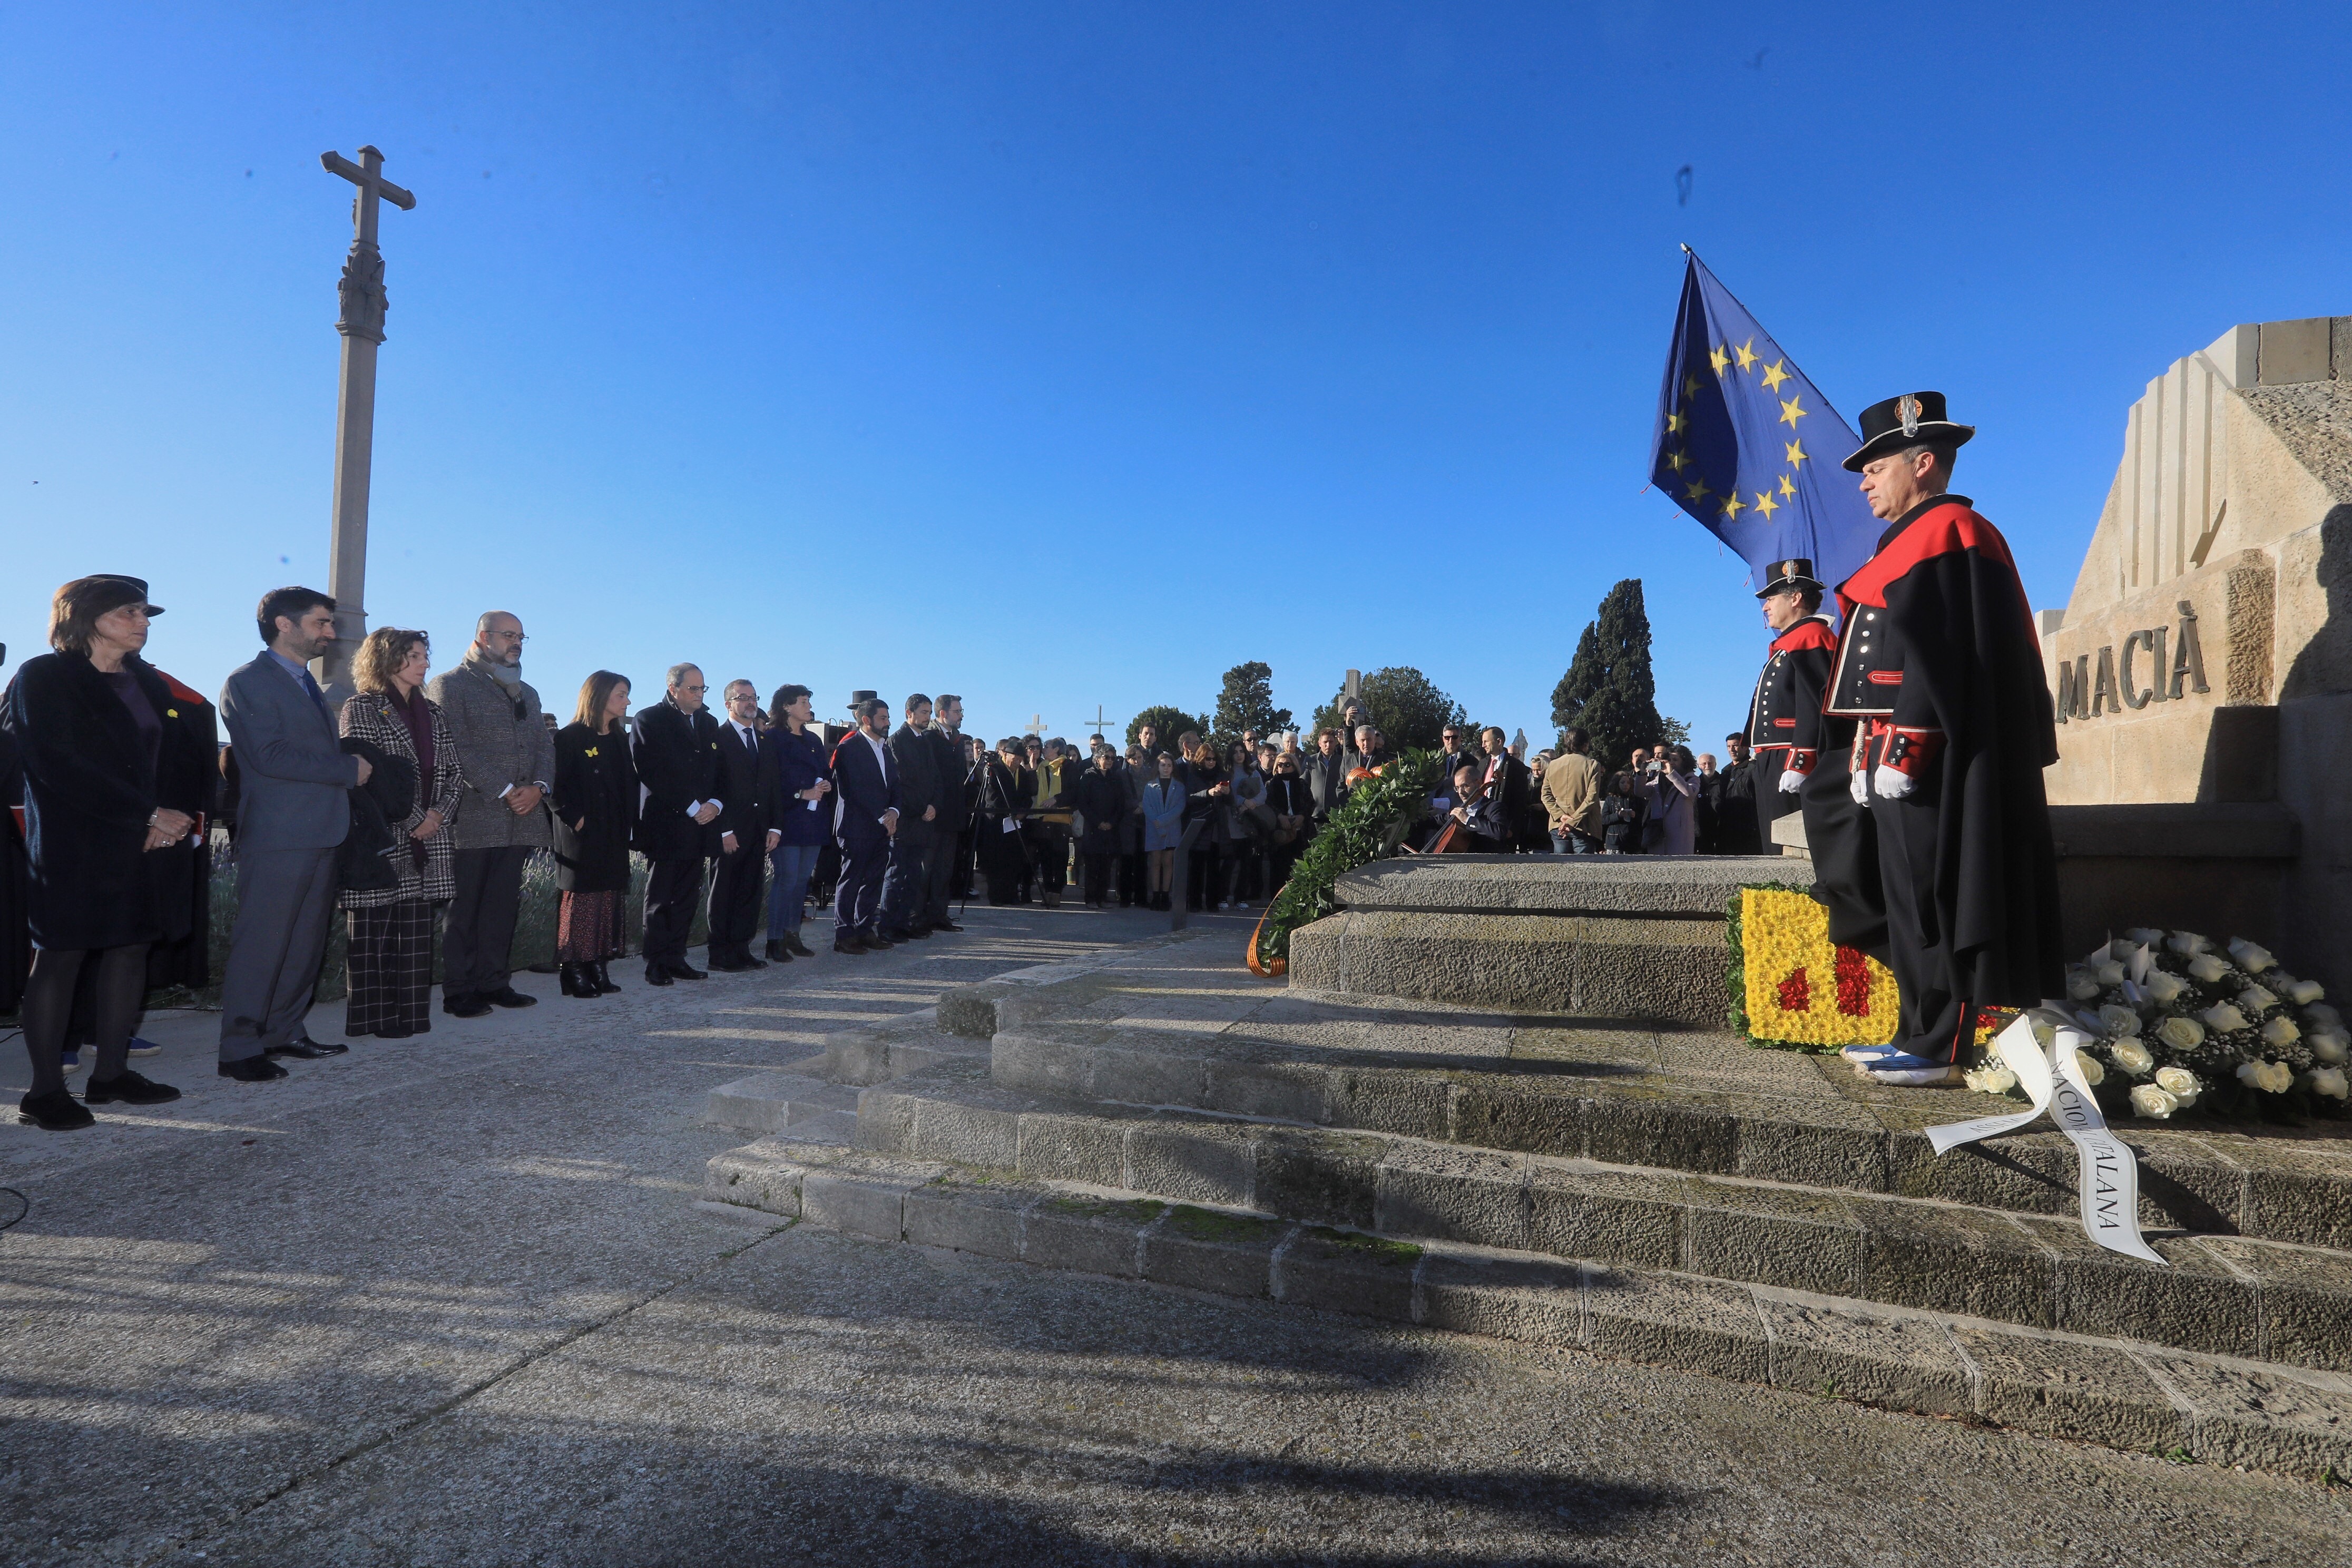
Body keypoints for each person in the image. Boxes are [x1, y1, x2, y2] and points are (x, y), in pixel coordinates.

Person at [1820, 391, 2061, 1086]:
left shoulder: (1953, 530)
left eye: (1876, 468)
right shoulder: (1906, 539)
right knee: (1905, 901)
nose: (1864, 482)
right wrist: (1864, 754)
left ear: (1923, 463)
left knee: (1935, 899)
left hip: (1932, 762)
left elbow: (1944, 658)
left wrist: (1905, 750)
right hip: (1891, 759)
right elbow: (1886, 671)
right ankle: (1913, 1031)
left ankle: (1940, 1046)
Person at [3, 577, 211, 1128]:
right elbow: (56, 762)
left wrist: (167, 818)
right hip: (74, 843)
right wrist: (146, 814)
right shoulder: (44, 676)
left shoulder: (147, 681)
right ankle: (44, 1092)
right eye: (129, 612)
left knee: (130, 951)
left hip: (145, 842)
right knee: (61, 957)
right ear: (86, 617)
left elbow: (174, 759)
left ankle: (111, 1075)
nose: (142, 623)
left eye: (144, 613)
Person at [216, 586, 366, 1080]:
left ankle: (283, 1031)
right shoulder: (248, 681)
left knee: (303, 944)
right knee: (263, 944)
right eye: (321, 622)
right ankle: (240, 1049)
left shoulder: (305, 683)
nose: (331, 633)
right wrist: (348, 769)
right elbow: (269, 756)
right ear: (284, 624)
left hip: (321, 831)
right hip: (280, 836)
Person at [424, 611, 552, 1018]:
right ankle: (459, 990)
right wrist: (506, 790)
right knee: (464, 910)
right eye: (509, 635)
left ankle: (495, 981)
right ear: (483, 637)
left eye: (521, 637)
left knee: (501, 907)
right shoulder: (450, 685)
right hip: (475, 815)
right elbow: (455, 746)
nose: (517, 643)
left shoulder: (527, 692)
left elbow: (544, 745)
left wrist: (539, 787)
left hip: (522, 816)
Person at [336, 628, 462, 1035]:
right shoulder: (362, 707)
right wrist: (415, 821)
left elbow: (454, 773)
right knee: (373, 934)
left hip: (429, 838)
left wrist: (437, 816)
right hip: (382, 837)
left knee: (414, 935)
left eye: (425, 655)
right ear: (387, 659)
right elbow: (370, 776)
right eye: (415, 656)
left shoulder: (435, 713)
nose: (425, 663)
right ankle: (374, 1019)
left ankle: (409, 1017)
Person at [633, 663, 722, 985]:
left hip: (701, 824)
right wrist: (692, 806)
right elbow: (651, 770)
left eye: (703, 688)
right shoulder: (650, 719)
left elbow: (718, 769)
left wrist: (715, 804)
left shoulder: (709, 722)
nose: (699, 694)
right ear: (673, 689)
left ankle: (676, 957)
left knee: (687, 895)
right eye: (693, 688)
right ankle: (656, 961)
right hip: (667, 824)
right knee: (661, 896)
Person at [551, 670, 638, 996]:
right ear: (599, 696)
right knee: (582, 900)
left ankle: (598, 963)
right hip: (582, 837)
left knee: (609, 898)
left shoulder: (619, 738)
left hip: (614, 832)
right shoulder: (570, 737)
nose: (627, 701)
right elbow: (554, 787)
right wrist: (577, 820)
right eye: (621, 695)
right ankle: (573, 968)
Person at [1745, 558, 1838, 856]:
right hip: (1774, 758)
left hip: (1790, 756)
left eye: (1771, 598)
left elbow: (1816, 704)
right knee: (1773, 848)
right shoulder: (1791, 642)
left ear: (1795, 598)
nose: (1765, 607)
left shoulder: (1811, 637)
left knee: (1792, 853)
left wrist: (1802, 759)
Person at [705, 679, 777, 971]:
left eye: (754, 697)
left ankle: (741, 949)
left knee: (750, 892)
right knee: (724, 893)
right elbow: (713, 787)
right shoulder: (717, 738)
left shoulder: (764, 741)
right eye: (743, 697)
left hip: (758, 832)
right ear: (728, 704)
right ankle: (720, 954)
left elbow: (772, 787)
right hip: (729, 832)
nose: (750, 702)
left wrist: (775, 828)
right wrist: (724, 830)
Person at [758, 684, 830, 961]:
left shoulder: (813, 740)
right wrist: (800, 793)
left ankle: (793, 934)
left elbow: (824, 771)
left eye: (809, 701)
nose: (809, 707)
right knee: (786, 879)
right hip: (786, 820)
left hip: (813, 820)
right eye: (803, 702)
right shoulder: (772, 738)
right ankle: (775, 939)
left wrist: (825, 784)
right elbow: (769, 781)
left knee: (802, 881)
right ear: (786, 707)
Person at [829, 695, 901, 953]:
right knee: (851, 880)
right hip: (856, 827)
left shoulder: (886, 749)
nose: (888, 723)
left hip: (881, 828)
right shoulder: (849, 748)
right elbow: (854, 790)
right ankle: (844, 935)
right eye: (883, 718)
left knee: (873, 881)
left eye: (888, 717)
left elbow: (894, 784)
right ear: (867, 720)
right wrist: (883, 817)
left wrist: (894, 811)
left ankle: (865, 929)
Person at [880, 693, 943, 942]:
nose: (928, 717)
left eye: (930, 713)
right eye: (924, 713)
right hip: (905, 820)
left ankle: (906, 922)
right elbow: (900, 783)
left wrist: (934, 805)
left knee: (914, 875)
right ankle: (888, 926)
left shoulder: (926, 741)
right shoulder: (897, 741)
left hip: (924, 821)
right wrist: (921, 808)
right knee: (897, 874)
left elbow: (936, 778)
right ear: (910, 714)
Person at [921, 694, 969, 935]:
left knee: (945, 869)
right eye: (957, 711)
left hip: (952, 815)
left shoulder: (957, 740)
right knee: (926, 869)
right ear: (943, 714)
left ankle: (939, 914)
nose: (961, 716)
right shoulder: (929, 738)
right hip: (933, 815)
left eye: (961, 711)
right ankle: (920, 916)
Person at [974, 738, 1032, 905]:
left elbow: (1027, 796)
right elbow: (992, 798)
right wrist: (1011, 811)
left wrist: (1023, 812)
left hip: (1015, 824)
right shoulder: (995, 769)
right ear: (1006, 755)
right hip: (997, 823)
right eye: (1015, 758)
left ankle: (1011, 895)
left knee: (1014, 860)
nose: (1018, 762)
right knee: (997, 861)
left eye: (1021, 759)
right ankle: (997, 896)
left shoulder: (1022, 773)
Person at [1174, 733, 1228, 911]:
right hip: (1198, 824)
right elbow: (1189, 798)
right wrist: (1208, 793)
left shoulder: (1222, 775)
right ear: (1201, 759)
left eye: (1213, 759)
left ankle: (1212, 903)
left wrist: (1227, 793)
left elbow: (1231, 801)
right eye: (1207, 759)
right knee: (1196, 867)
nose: (1211, 762)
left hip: (1215, 826)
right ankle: (1195, 903)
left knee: (1214, 867)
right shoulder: (1193, 774)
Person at [1027, 738, 1077, 908]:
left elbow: (1074, 791)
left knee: (1060, 857)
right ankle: (1047, 891)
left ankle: (1057, 892)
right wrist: (1032, 768)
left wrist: (1056, 799)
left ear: (1056, 749)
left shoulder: (1068, 766)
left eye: (1047, 746)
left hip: (1061, 819)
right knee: (1045, 857)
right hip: (1043, 818)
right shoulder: (1042, 767)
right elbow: (1033, 789)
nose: (1043, 749)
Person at [1073, 745, 1125, 906]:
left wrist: (1112, 823)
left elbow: (1121, 805)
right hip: (1093, 828)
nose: (1110, 761)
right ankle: (1090, 899)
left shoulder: (1116, 779)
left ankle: (1102, 898)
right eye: (1106, 757)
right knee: (1092, 865)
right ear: (1097, 759)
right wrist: (1098, 823)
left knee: (1106, 866)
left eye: (1112, 758)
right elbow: (1083, 804)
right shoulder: (1088, 777)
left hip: (1111, 829)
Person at [1542, 728, 1605, 854]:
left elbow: (1546, 796)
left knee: (1562, 864)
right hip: (1584, 825)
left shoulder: (1553, 765)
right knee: (1583, 865)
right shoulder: (1592, 765)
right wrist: (1573, 821)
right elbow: (1591, 798)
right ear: (1585, 744)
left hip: (1558, 824)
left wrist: (1560, 816)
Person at [1139, 751, 1186, 911]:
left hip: (1172, 829)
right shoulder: (1150, 786)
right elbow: (1147, 807)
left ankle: (1165, 895)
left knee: (1168, 863)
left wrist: (1163, 821)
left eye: (1169, 765)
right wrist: (1157, 823)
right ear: (1157, 767)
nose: (1166, 768)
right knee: (1155, 862)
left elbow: (1179, 808)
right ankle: (1156, 895)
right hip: (1154, 829)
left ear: (1173, 768)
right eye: (1163, 765)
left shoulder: (1179, 786)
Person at [1260, 750, 1311, 893]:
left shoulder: (1302, 784)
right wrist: (1280, 816)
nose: (1283, 768)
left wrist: (1302, 816)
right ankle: (1277, 900)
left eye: (1287, 765)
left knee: (1301, 867)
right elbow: (1267, 804)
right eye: (1280, 765)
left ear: (1294, 766)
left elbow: (1310, 803)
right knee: (1279, 868)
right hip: (1279, 831)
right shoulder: (1270, 784)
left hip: (1300, 830)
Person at [1223, 738, 1266, 909]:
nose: (1239, 755)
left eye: (1242, 752)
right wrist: (1242, 801)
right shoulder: (1226, 773)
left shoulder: (1253, 772)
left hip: (1249, 824)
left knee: (1246, 864)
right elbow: (1227, 794)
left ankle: (1241, 899)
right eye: (1235, 752)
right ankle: (1223, 897)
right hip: (1230, 823)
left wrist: (1251, 803)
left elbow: (1263, 794)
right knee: (1228, 864)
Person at [1475, 727, 1530, 853]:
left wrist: (1511, 828)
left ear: (1499, 742)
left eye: (1486, 741)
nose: (1483, 745)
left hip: (1503, 827)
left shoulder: (1516, 766)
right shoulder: (1482, 764)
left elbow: (1520, 801)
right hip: (1482, 824)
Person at [1642, 744, 1701, 854]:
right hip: (1658, 834)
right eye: (1669, 760)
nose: (1671, 763)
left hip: (1680, 834)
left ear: (1684, 762)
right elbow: (1640, 792)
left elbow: (1689, 793)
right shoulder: (1658, 779)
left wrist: (1671, 774)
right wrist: (1642, 774)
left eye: (1675, 760)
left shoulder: (1692, 778)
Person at [1711, 732, 1763, 855]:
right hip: (1726, 828)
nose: (1732, 750)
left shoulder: (1753, 768)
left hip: (1748, 828)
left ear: (1745, 747)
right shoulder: (1726, 771)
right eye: (1729, 747)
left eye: (1735, 746)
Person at [1117, 743, 1149, 905]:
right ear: (1127, 760)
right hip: (1127, 822)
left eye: (1139, 757)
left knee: (1142, 861)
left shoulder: (1150, 773)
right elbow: (1120, 797)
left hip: (1145, 822)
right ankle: (1125, 897)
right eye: (1133, 758)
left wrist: (1143, 806)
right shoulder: (1122, 775)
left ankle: (1141, 898)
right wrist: (1135, 806)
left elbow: (1154, 793)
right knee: (1126, 860)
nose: (1137, 761)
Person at [1306, 728, 1347, 828]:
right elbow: (1303, 785)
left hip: (1336, 815)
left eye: (1331, 742)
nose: (1328, 745)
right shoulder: (1311, 761)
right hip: (1315, 815)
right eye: (1325, 742)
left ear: (1335, 743)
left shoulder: (1342, 761)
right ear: (1320, 743)